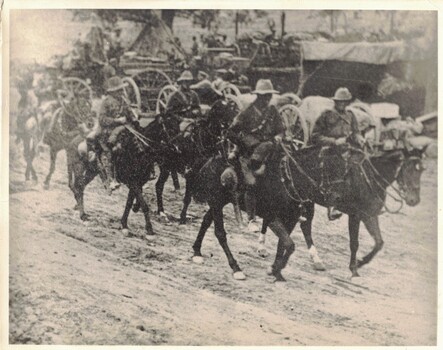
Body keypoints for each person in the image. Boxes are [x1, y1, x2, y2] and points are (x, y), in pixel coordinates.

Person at [227, 79, 285, 233]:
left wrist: (279, 136)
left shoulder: (272, 111)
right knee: (251, 183)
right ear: (258, 96)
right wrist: (248, 142)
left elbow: (280, 129)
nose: (266, 99)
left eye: (268, 96)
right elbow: (231, 132)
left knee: (282, 175)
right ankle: (251, 218)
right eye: (264, 96)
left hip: (270, 151)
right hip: (248, 153)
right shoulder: (247, 111)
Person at [311, 87, 364, 220]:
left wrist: (359, 138)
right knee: (337, 168)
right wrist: (334, 141)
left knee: (363, 163)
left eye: (345, 101)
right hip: (329, 150)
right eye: (340, 101)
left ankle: (361, 200)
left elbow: (356, 131)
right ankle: (332, 206)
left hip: (347, 149)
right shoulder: (326, 114)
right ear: (335, 101)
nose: (342, 104)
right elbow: (315, 136)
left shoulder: (350, 115)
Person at [97, 76, 131, 194]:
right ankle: (110, 178)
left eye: (122, 90)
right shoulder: (106, 102)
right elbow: (102, 119)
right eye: (119, 90)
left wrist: (134, 115)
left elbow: (129, 113)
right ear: (113, 91)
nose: (122, 92)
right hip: (108, 131)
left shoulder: (124, 101)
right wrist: (116, 121)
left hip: (123, 128)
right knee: (111, 150)